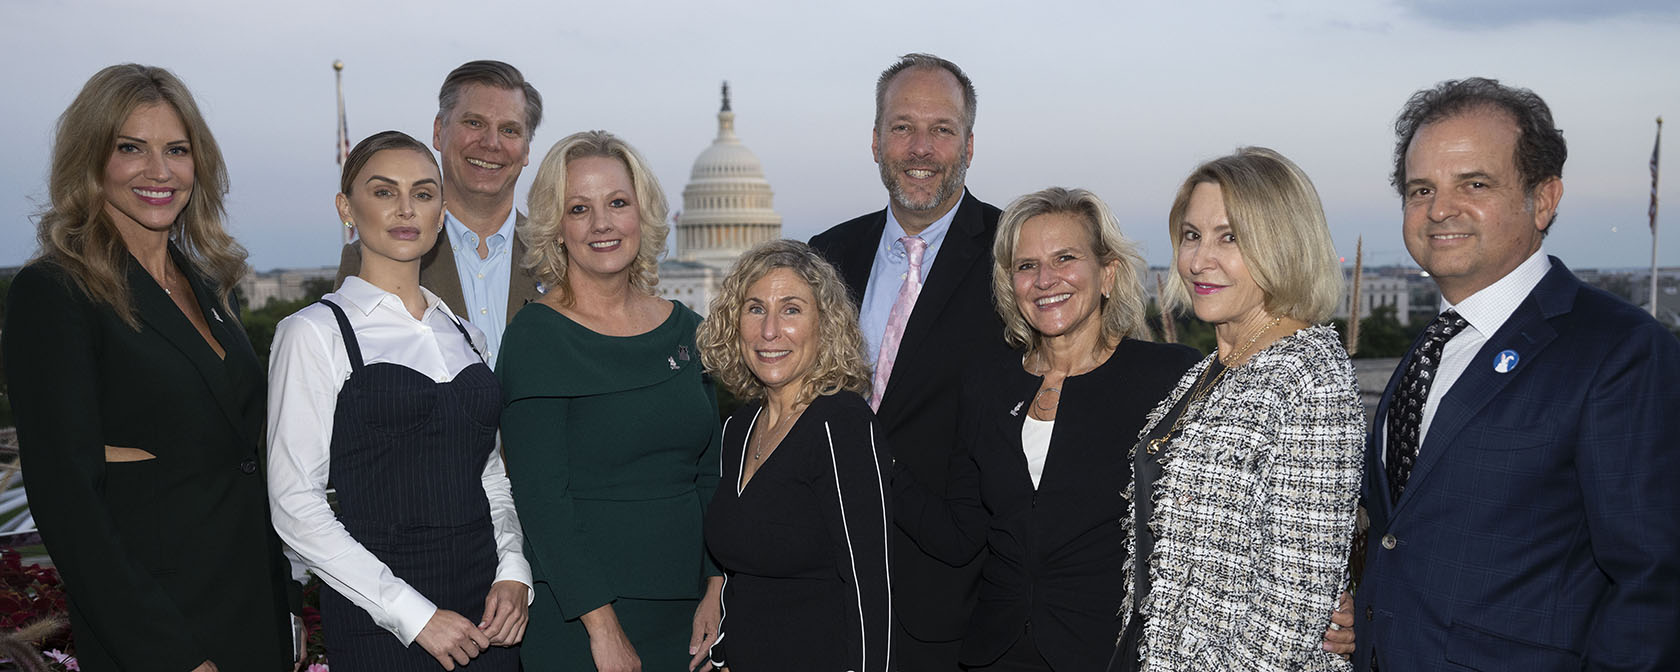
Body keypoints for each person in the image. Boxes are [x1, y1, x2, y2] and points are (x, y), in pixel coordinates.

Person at [1354, 78, 1680, 671]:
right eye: (1420, 188)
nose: (1439, 209)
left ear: (1544, 198)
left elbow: (1655, 584)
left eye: (1474, 184)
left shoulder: (1619, 350)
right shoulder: (1432, 349)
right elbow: (1409, 536)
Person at [2, 63, 296, 671]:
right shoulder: (54, 291)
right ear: (90, 160)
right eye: (130, 148)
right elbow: (69, 505)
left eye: (177, 150)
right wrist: (172, 657)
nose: (159, 171)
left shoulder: (212, 285)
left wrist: (286, 605)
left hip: (251, 611)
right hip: (159, 631)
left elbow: (243, 454)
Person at [890, 187, 1200, 671]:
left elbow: (1220, 522)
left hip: (1114, 655)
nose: (1045, 280)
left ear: (1107, 273)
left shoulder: (1169, 378)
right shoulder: (986, 384)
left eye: (1065, 258)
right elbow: (959, 535)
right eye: (1026, 265)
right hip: (996, 653)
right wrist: (868, 454)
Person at [267, 131, 531, 671]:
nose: (406, 208)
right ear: (347, 207)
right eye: (384, 192)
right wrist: (415, 615)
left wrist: (513, 571)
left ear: (442, 213)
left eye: (425, 193)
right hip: (381, 619)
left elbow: (488, 475)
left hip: (488, 615)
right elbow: (295, 505)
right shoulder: (314, 333)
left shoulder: (466, 336)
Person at [1109, 147, 1363, 672]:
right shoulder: (1208, 370)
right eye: (1191, 235)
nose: (1200, 260)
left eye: (1231, 237)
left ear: (1282, 244)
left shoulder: (1307, 377)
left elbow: (1290, 617)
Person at [807, 52, 1008, 671]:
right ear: (875, 141)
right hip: (824, 583)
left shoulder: (1016, 259)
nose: (921, 148)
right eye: (902, 127)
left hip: (954, 601)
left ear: (969, 145)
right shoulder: (827, 255)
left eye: (941, 130)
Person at [498, 130, 724, 672]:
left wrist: (717, 586)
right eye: (580, 208)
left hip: (691, 611)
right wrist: (601, 627)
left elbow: (710, 473)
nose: (602, 223)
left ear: (642, 216)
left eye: (617, 203)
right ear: (557, 228)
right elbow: (541, 498)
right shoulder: (536, 337)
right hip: (581, 614)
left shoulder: (689, 331)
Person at [697, 240, 893, 672]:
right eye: (754, 309)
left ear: (824, 325)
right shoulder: (738, 428)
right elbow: (741, 574)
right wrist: (723, 648)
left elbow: (871, 586)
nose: (770, 331)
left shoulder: (841, 424)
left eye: (791, 309)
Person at [335, 60, 544, 366]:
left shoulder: (561, 259)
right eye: (474, 123)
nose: (490, 143)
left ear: (526, 150)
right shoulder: (369, 261)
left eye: (510, 130)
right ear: (438, 131)